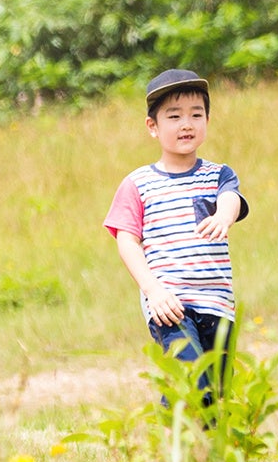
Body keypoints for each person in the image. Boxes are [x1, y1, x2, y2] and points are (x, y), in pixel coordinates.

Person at [105, 68, 249, 398]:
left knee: (216, 395)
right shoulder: (138, 184)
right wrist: (152, 290)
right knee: (191, 384)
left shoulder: (219, 175)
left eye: (196, 114)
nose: (187, 124)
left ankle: (200, 448)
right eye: (174, 116)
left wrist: (224, 216)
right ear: (152, 127)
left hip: (218, 305)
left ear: (207, 122)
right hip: (170, 303)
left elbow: (231, 199)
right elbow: (127, 239)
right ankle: (174, 444)